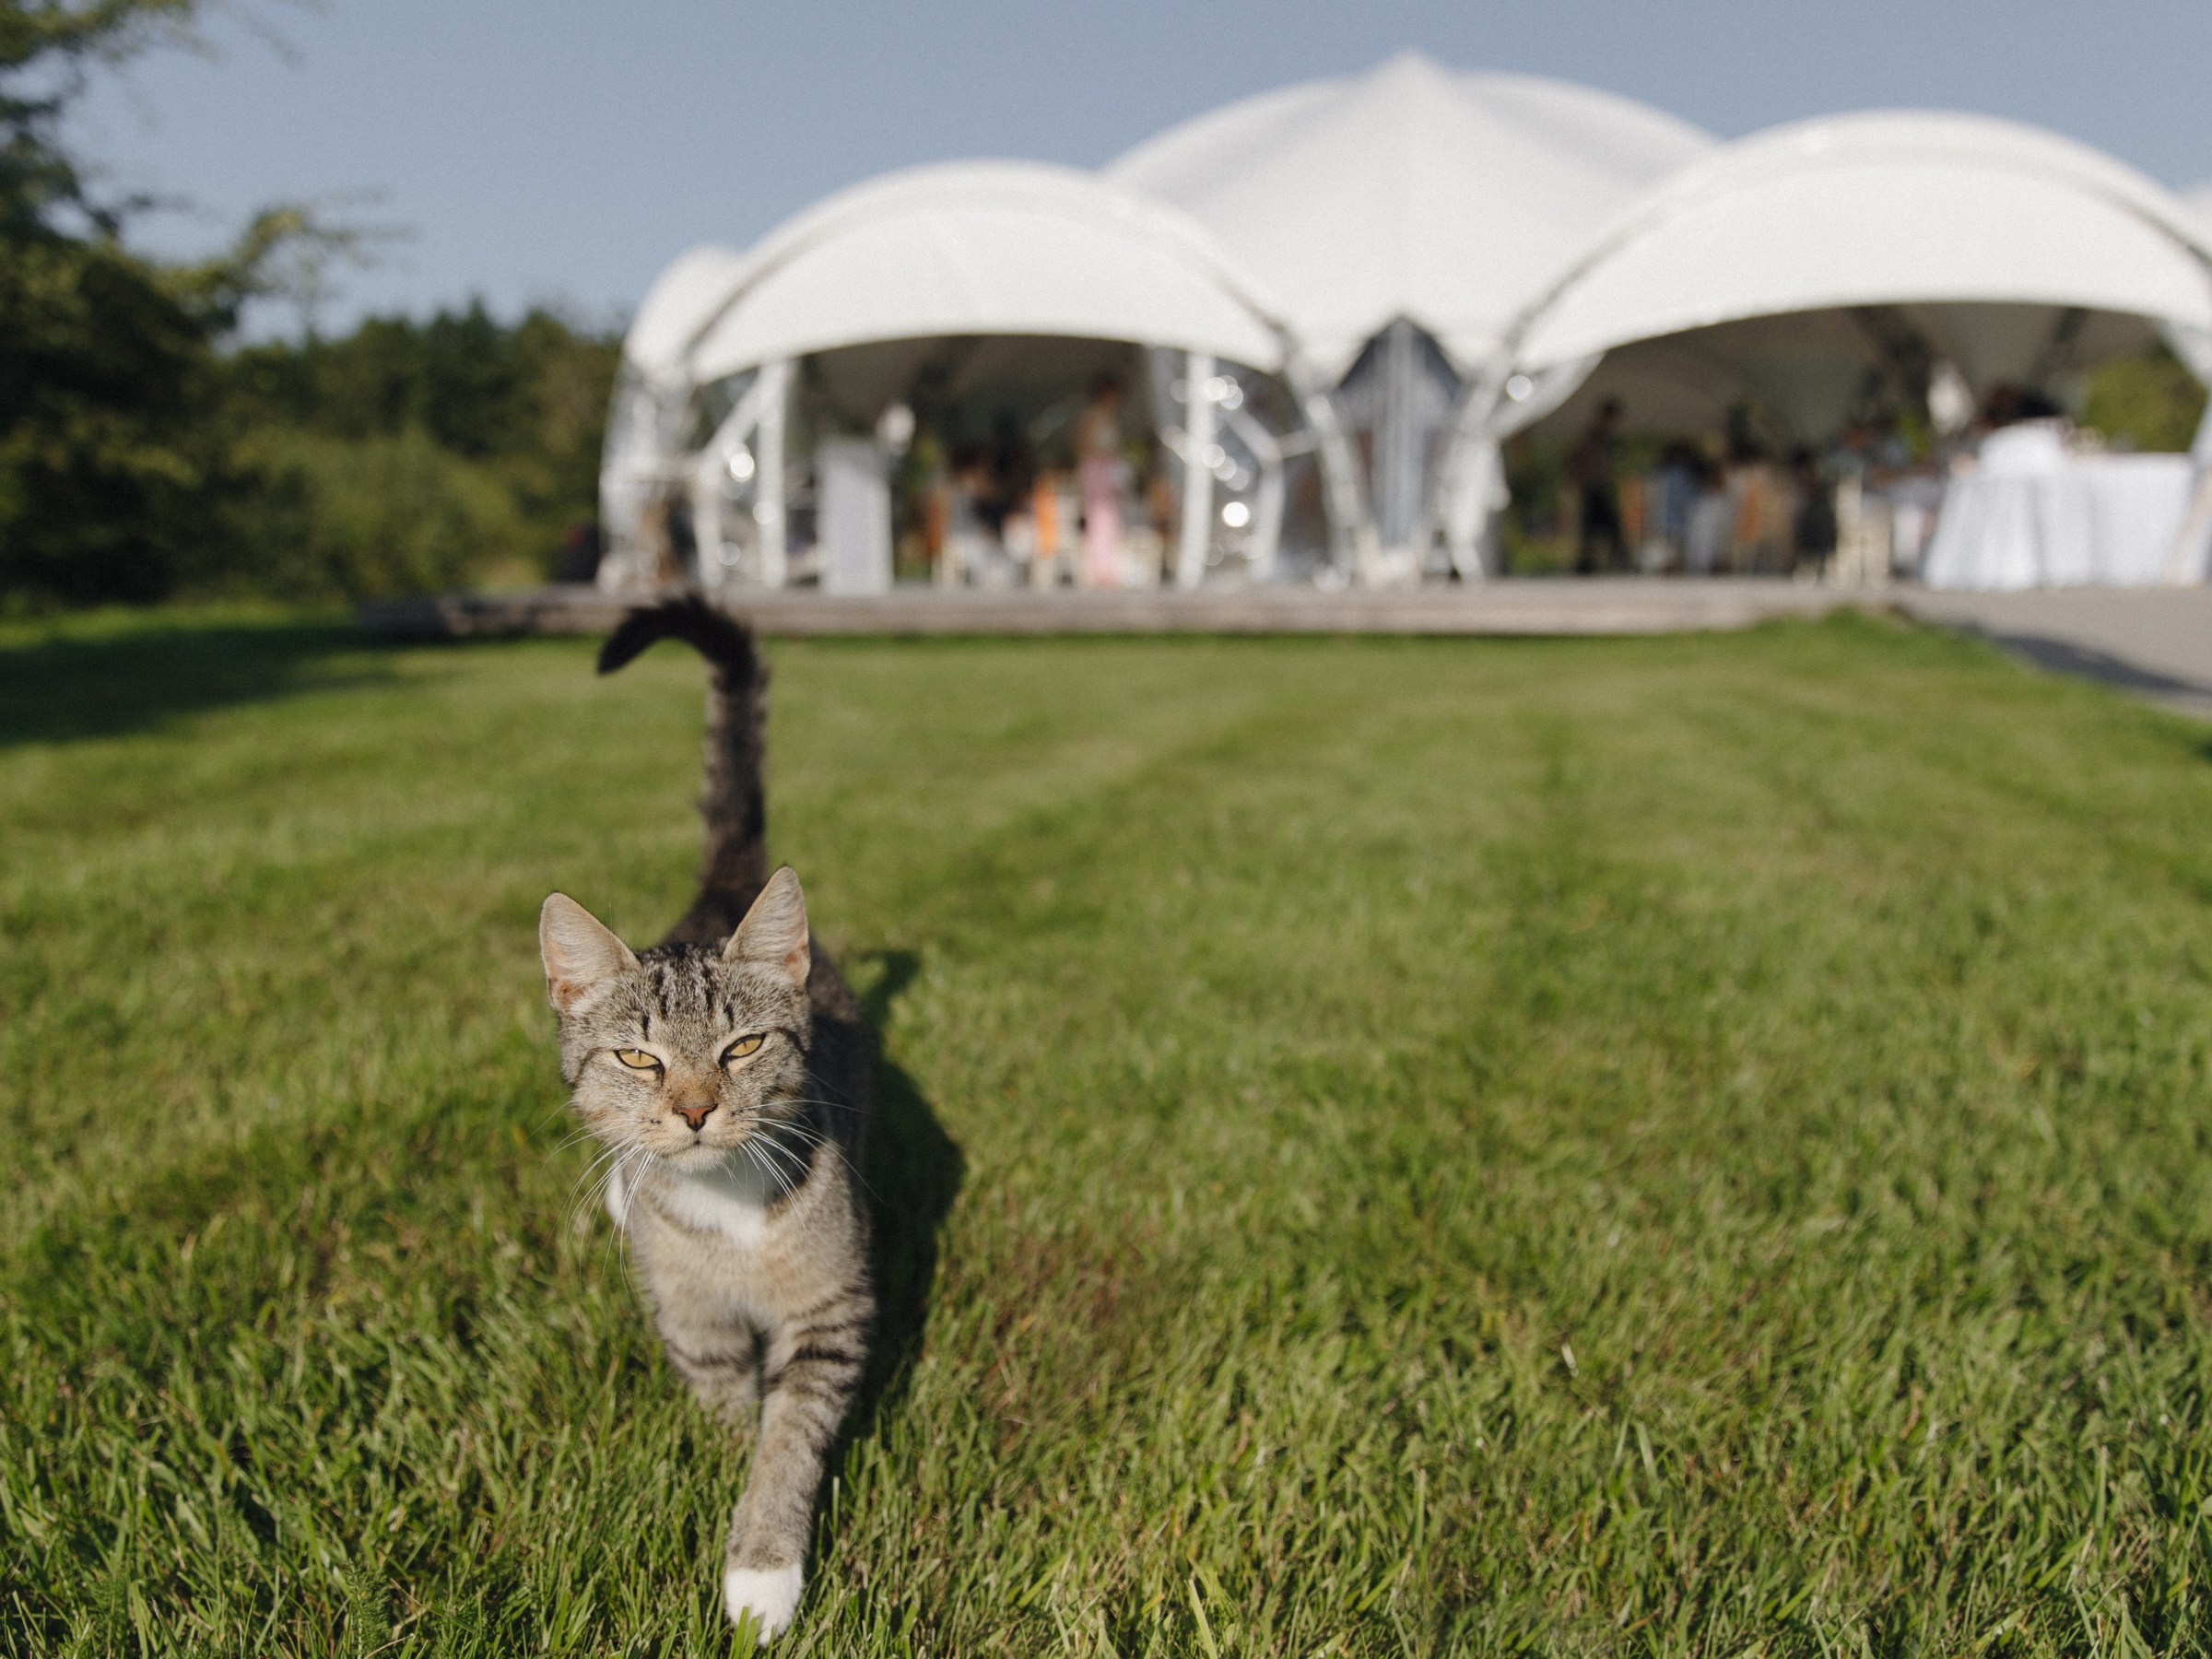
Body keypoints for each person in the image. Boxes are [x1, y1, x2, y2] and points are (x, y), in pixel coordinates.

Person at [1076, 376, 1128, 589]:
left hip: (1107, 468)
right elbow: (1081, 441)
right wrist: (1100, 456)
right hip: (1097, 467)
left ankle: (1107, 569)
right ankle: (1098, 571)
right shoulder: (1094, 414)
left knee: (1110, 519)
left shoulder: (1109, 415)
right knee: (1099, 518)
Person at [1567, 398, 1625, 573]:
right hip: (1592, 488)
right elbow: (1574, 461)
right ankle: (1589, 565)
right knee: (1600, 529)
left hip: (1598, 487)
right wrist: (1581, 479)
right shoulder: (1592, 436)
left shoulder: (1602, 437)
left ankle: (1594, 563)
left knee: (1601, 529)